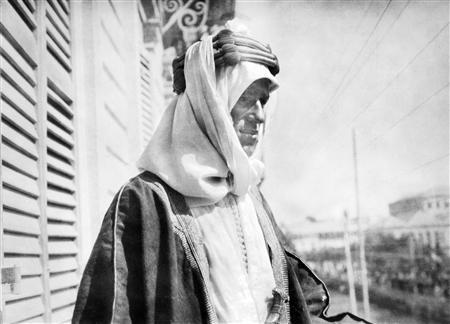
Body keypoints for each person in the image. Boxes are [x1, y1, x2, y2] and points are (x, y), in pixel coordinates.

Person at [72, 25, 371, 324]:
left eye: (263, 101)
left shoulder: (249, 194)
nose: (260, 115)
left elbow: (297, 303)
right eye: (246, 98)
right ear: (210, 101)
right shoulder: (146, 200)